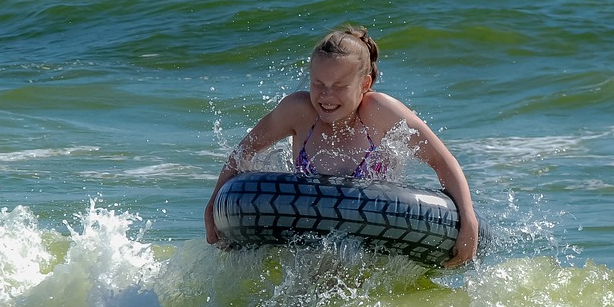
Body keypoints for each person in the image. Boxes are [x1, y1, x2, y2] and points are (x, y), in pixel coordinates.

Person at [204, 26, 480, 267]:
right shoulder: (298, 110)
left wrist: (467, 220)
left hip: (374, 240)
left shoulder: (380, 112)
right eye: (318, 83)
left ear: (365, 84)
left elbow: (442, 162)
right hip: (312, 238)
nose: (326, 96)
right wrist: (214, 206)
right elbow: (243, 153)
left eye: (339, 86)